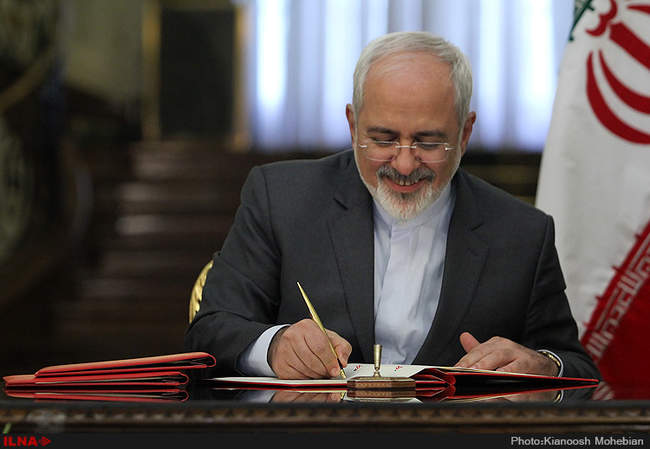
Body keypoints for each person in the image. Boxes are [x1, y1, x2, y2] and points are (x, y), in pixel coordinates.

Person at [184, 31, 600, 382]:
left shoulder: (523, 233)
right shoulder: (280, 198)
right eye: (382, 140)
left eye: (428, 142)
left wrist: (544, 366)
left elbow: (577, 367)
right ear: (352, 125)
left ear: (465, 133)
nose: (403, 164)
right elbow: (211, 330)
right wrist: (273, 347)